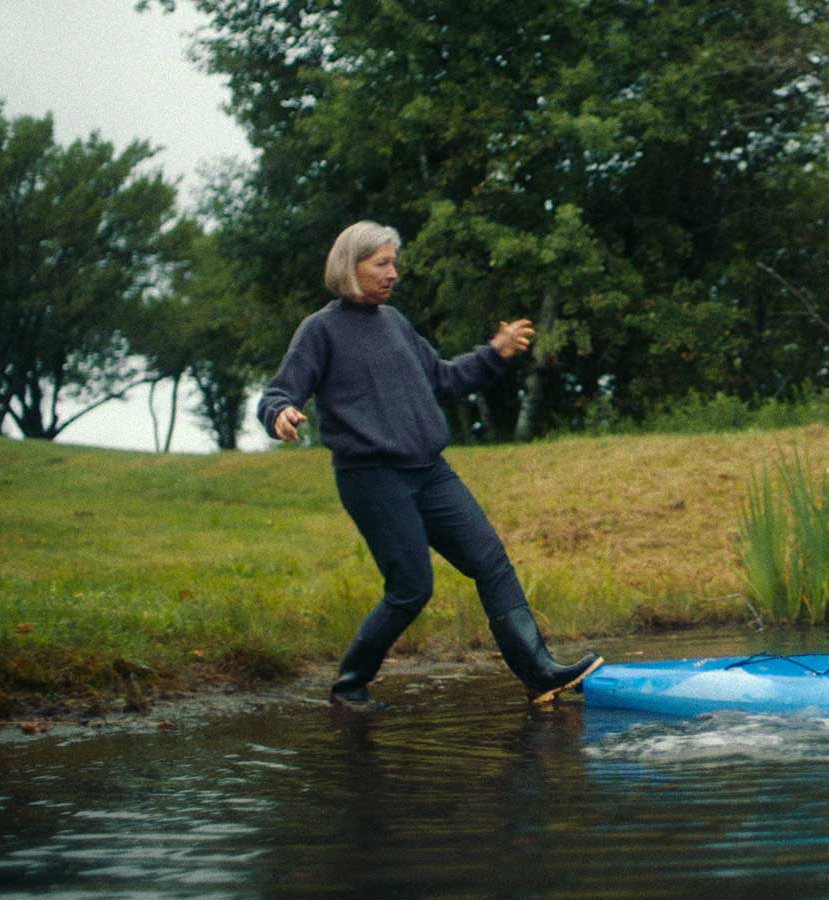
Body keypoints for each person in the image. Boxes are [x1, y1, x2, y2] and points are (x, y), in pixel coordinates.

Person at [256, 220, 601, 706]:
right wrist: (281, 413)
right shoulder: (321, 331)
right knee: (411, 588)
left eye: (393, 262)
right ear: (351, 268)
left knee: (490, 560)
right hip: (372, 477)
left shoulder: (395, 322)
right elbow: (280, 390)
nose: (393, 273)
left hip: (430, 471)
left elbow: (443, 379)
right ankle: (350, 684)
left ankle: (540, 672)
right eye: (382, 263)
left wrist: (495, 354)